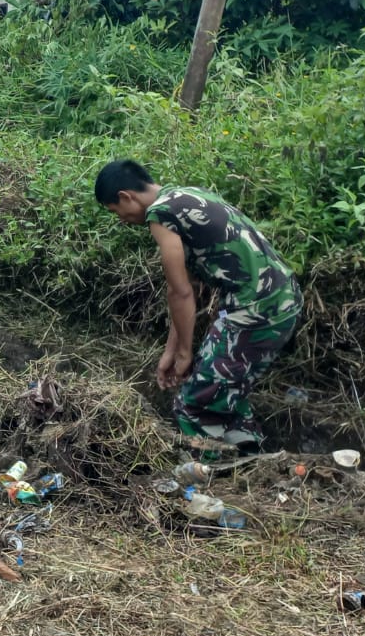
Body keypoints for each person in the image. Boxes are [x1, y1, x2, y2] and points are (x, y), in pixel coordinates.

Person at [94, 159, 302, 450]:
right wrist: (171, 351)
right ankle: (251, 457)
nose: (121, 219)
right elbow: (188, 287)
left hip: (256, 309)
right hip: (281, 299)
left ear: (126, 196)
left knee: (193, 403)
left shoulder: (160, 214)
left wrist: (184, 354)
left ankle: (208, 475)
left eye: (116, 211)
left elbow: (179, 293)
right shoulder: (186, 196)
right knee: (223, 390)